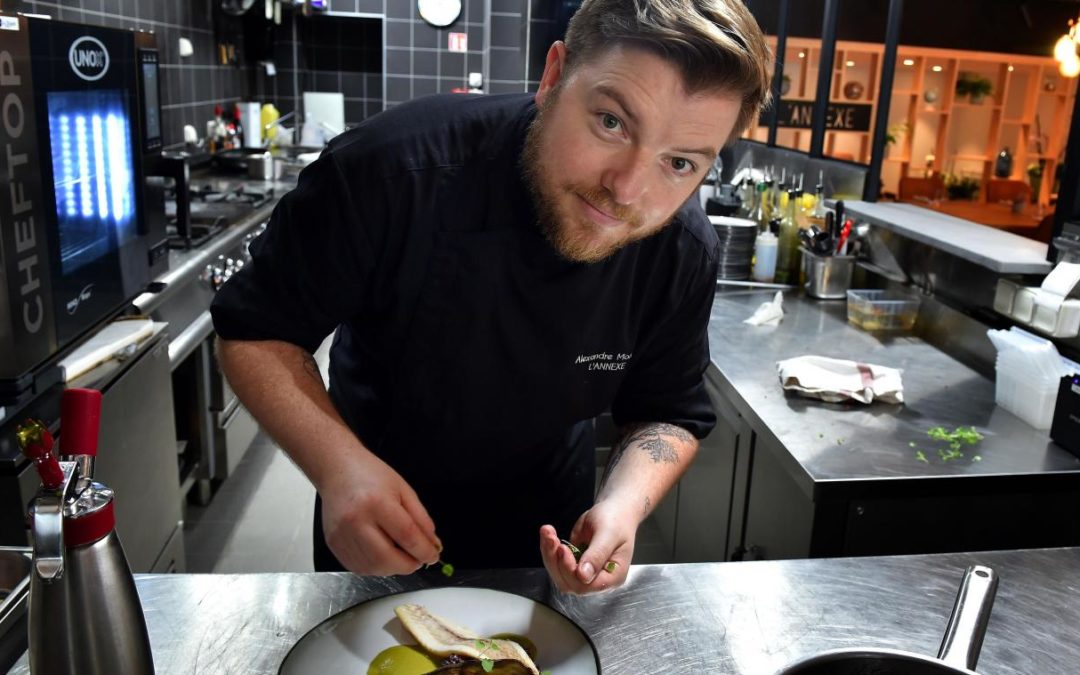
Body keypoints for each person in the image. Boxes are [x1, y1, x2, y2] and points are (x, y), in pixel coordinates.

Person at [210, 0, 771, 594]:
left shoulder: (680, 248)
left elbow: (669, 411)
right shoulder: (388, 173)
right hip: (371, 520)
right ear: (553, 75)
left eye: (679, 163)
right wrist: (337, 468)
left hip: (547, 539)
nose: (628, 190)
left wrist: (625, 505)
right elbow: (257, 331)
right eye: (612, 122)